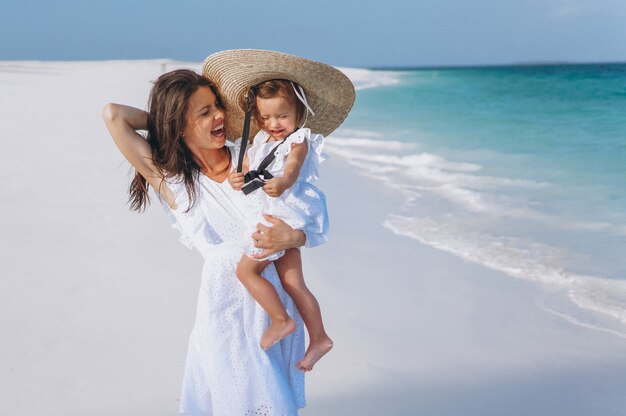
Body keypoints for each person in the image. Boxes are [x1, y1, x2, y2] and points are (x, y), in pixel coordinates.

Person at [103, 69, 311, 416]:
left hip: (271, 306)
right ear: (179, 125)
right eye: (204, 112)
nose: (219, 115)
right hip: (224, 313)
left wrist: (294, 237)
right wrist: (169, 122)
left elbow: (301, 216)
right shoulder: (176, 185)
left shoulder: (254, 158)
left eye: (216, 106)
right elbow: (114, 114)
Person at [204, 50, 355, 372]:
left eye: (282, 116)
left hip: (283, 217)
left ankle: (280, 319)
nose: (274, 124)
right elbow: (246, 169)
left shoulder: (299, 138)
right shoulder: (260, 140)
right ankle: (320, 338)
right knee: (294, 283)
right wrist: (238, 176)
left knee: (246, 271)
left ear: (299, 113)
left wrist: (284, 180)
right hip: (277, 211)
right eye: (266, 117)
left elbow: (294, 167)